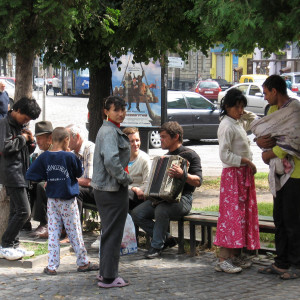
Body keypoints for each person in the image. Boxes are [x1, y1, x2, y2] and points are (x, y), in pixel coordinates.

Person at [25, 127, 98, 275]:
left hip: (52, 200)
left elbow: (31, 174)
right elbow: (78, 172)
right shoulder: (70, 157)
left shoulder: (44, 157)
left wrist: (47, 177)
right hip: (68, 200)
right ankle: (83, 263)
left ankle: (52, 266)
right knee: (74, 231)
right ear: (66, 140)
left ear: (51, 139)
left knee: (53, 232)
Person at [131, 121, 203, 258]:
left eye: (163, 137)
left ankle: (156, 246)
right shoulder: (165, 157)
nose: (160, 140)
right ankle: (167, 238)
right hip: (162, 200)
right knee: (137, 213)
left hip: (183, 199)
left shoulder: (191, 155)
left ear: (175, 137)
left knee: (162, 209)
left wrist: (183, 175)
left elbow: (198, 181)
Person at [254, 75, 300, 280]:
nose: (264, 97)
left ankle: (297, 264)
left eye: (265, 93)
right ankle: (281, 262)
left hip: (296, 174)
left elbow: (294, 141)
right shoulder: (273, 111)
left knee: (293, 221)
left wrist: (270, 153)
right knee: (279, 219)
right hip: (278, 173)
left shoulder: (294, 110)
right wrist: (261, 143)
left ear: (274, 91)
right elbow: (266, 136)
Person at [213, 88, 260, 274]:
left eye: (242, 107)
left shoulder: (237, 121)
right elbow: (224, 155)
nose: (240, 111)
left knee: (240, 216)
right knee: (231, 216)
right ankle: (223, 258)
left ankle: (234, 256)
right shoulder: (226, 125)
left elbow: (253, 119)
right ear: (227, 106)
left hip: (242, 175)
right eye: (237, 107)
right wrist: (246, 161)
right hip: (233, 176)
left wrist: (242, 111)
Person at [91, 95, 132, 288]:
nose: (121, 114)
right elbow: (111, 162)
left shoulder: (110, 129)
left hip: (107, 189)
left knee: (109, 232)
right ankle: (109, 277)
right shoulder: (109, 132)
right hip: (112, 189)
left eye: (123, 110)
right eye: (116, 110)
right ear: (106, 111)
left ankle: (105, 272)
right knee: (113, 233)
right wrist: (126, 179)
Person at [0, 97, 41, 260]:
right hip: (12, 173)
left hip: (21, 172)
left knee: (16, 211)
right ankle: (6, 244)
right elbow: (4, 148)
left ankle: (13, 245)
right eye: (25, 118)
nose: (26, 121)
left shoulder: (19, 126)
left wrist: (30, 142)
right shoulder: (4, 124)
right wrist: (23, 139)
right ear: (17, 111)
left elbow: (23, 151)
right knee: (25, 211)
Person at [65, 124, 95, 212]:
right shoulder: (74, 153)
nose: (65, 142)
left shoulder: (90, 148)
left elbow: (89, 181)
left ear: (77, 137)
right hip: (85, 187)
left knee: (74, 190)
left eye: (67, 138)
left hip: (98, 190)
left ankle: (75, 225)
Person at [122, 127, 151, 211]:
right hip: (125, 193)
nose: (135, 144)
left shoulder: (144, 159)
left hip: (139, 196)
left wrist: (136, 190)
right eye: (131, 141)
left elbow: (147, 184)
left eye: (137, 140)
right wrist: (133, 188)